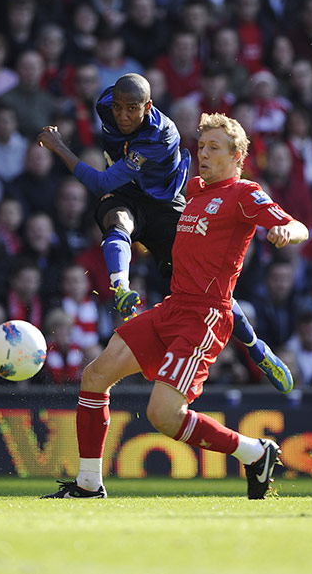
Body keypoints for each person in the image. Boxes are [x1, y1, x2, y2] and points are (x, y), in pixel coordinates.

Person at [41, 111, 308, 501]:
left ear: (238, 156)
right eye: (201, 147)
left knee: (163, 416)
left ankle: (254, 452)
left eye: (214, 148)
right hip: (172, 308)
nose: (204, 154)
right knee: (95, 377)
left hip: (204, 318)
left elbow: (297, 225)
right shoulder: (195, 189)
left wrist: (286, 230)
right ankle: (87, 484)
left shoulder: (245, 193)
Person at [37, 72, 295, 391]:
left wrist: (59, 146)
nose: (123, 115)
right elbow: (109, 181)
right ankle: (121, 287)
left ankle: (258, 350)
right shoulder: (105, 103)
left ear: (148, 107)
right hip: (126, 190)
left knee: (207, 290)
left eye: (132, 108)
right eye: (118, 108)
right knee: (116, 219)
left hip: (163, 205)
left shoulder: (159, 137)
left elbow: (100, 182)